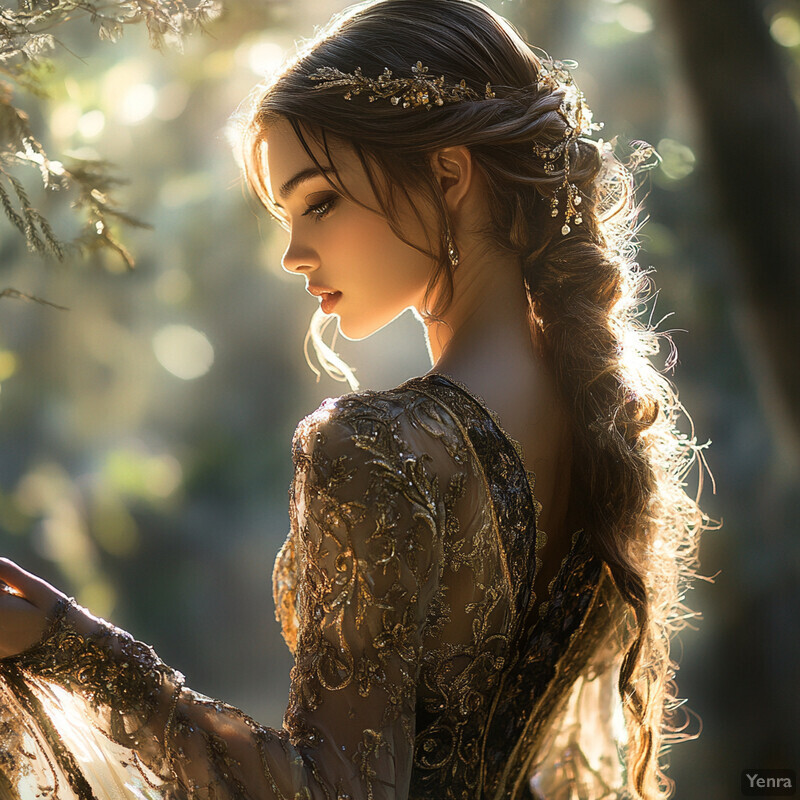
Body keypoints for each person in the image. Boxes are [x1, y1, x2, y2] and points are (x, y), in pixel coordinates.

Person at [0, 0, 714, 798]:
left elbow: (332, 791)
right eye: (285, 214)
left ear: (448, 174)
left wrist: (79, 649)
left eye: (320, 202)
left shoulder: (383, 446)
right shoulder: (598, 419)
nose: (293, 254)